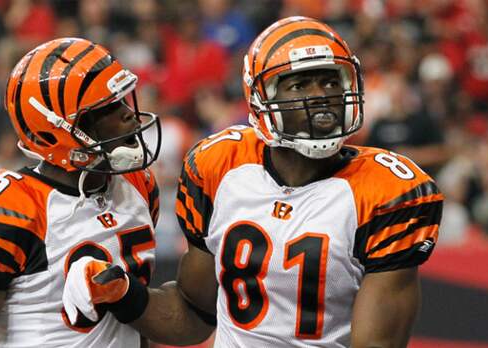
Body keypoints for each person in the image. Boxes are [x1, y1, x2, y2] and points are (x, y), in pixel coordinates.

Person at [63, 17, 444, 347]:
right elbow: (193, 314)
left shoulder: (388, 191)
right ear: (260, 97)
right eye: (299, 85)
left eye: (329, 81)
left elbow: (376, 344)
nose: (320, 98)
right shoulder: (220, 163)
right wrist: (123, 294)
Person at [0, 38, 162, 347]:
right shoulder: (10, 209)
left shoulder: (137, 185)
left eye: (121, 100)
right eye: (107, 108)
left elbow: (142, 326)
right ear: (52, 129)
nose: (129, 115)